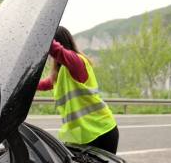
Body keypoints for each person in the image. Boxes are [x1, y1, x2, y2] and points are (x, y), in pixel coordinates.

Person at [37, 26, 119, 154]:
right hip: (82, 135)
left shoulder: (77, 63)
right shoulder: (59, 73)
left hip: (101, 131)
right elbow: (41, 85)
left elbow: (57, 51)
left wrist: (42, 29)